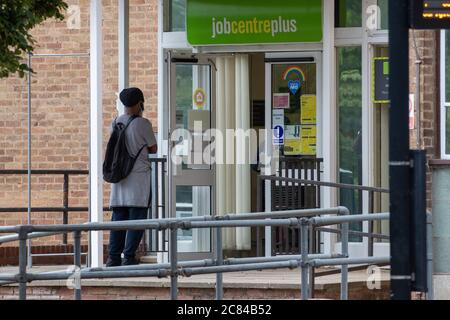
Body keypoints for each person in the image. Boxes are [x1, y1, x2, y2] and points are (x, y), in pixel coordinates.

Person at [106, 87, 157, 267]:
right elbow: (153, 148)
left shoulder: (116, 122)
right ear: (140, 103)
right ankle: (128, 257)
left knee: (118, 219)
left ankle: (113, 257)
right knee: (137, 219)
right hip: (138, 180)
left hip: (119, 179)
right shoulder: (143, 124)